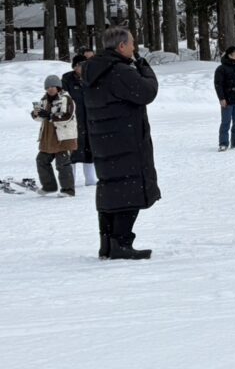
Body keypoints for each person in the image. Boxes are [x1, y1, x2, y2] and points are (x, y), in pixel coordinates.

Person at [81, 27, 160, 260]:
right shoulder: (119, 71)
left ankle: (107, 242)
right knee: (129, 190)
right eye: (132, 43)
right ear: (122, 46)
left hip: (104, 140)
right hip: (126, 140)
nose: (134, 47)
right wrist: (144, 67)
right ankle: (121, 243)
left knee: (111, 188)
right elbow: (147, 92)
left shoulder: (93, 70)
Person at [31, 73, 78, 197]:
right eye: (48, 87)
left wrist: (50, 116)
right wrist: (35, 114)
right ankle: (49, 187)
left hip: (63, 137)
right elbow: (40, 119)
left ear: (58, 87)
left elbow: (67, 116)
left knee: (62, 163)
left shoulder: (66, 99)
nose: (50, 89)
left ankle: (68, 190)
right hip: (48, 136)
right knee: (41, 160)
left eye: (53, 86)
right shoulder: (44, 99)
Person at [63, 54, 96, 187]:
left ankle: (91, 179)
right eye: (80, 65)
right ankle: (70, 180)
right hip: (72, 121)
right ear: (75, 66)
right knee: (72, 151)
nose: (82, 67)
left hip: (90, 119)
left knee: (90, 150)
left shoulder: (92, 78)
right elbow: (63, 99)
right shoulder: (67, 79)